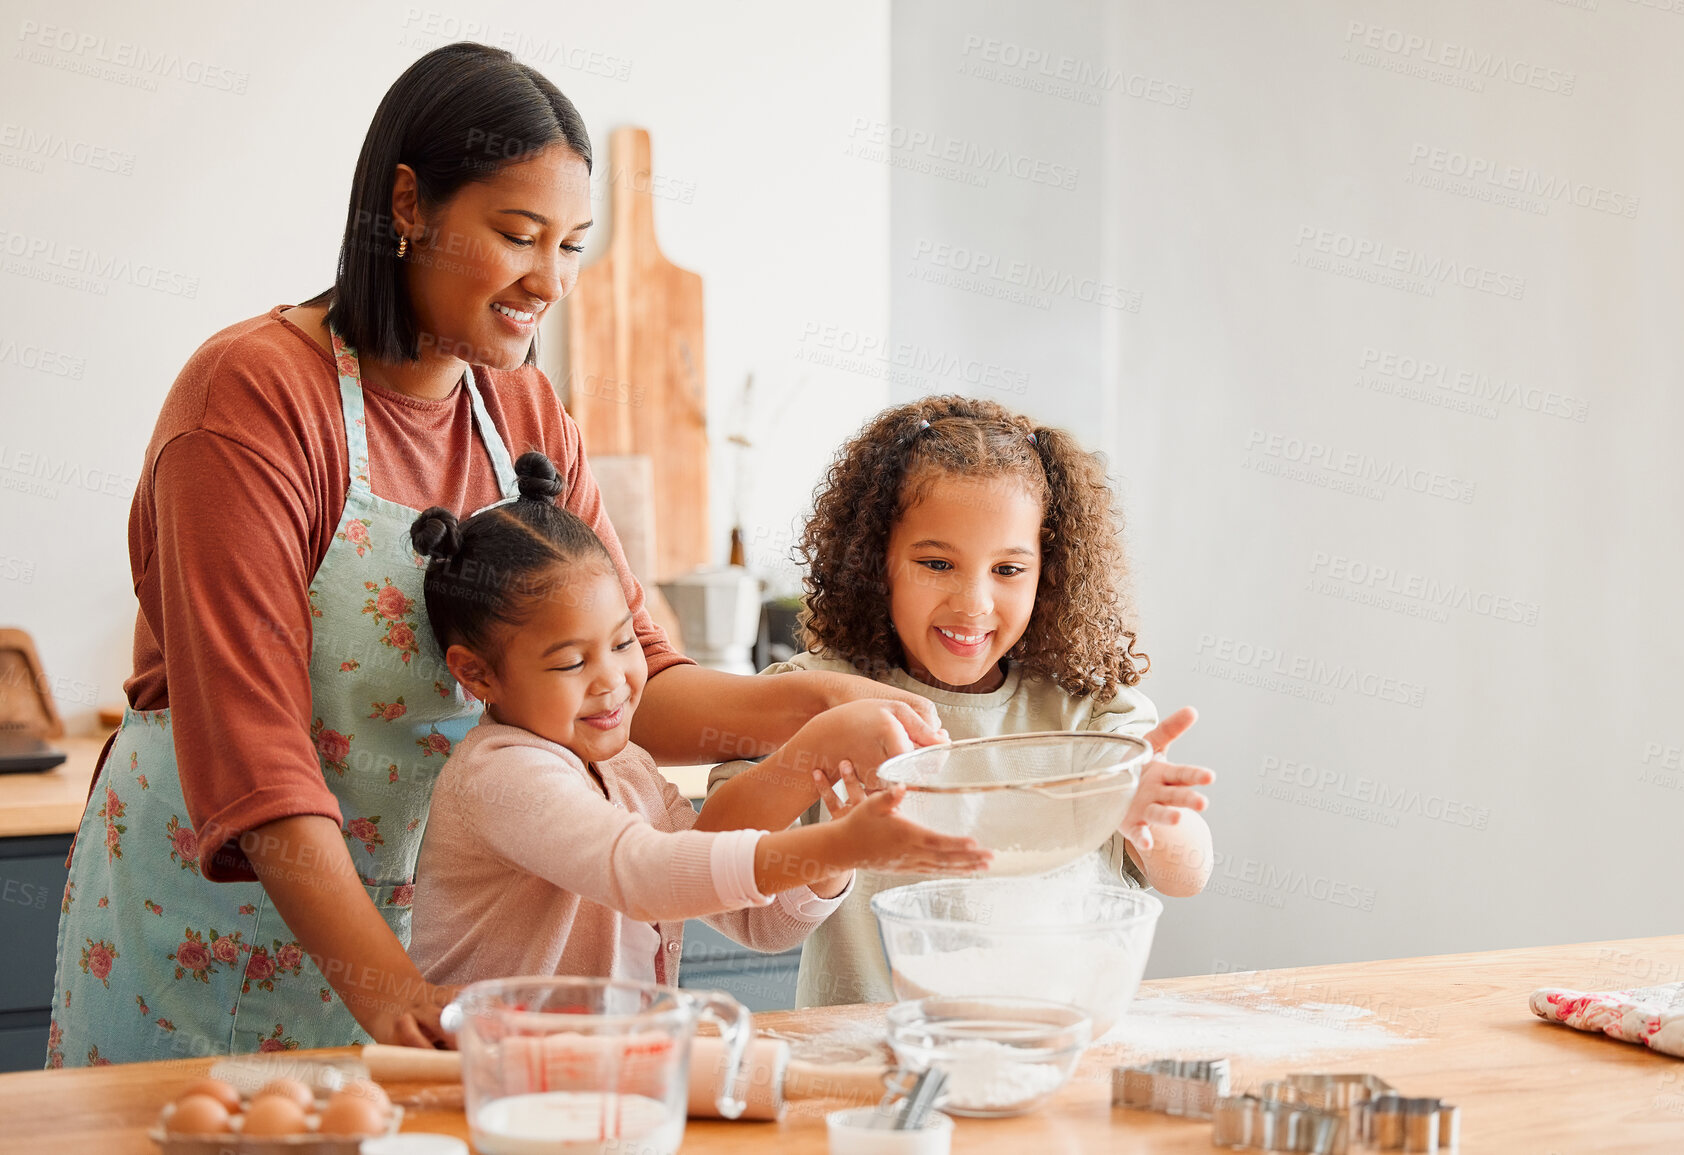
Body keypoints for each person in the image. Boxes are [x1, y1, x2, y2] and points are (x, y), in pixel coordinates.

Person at [48, 43, 943, 1068]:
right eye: (520, 236)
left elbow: (630, 681)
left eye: (572, 245)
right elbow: (256, 759)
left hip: (450, 942)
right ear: (408, 204)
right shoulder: (251, 400)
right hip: (231, 942)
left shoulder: (520, 408)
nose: (550, 282)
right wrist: (387, 990)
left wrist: (816, 705)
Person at [699, 395, 1218, 1007]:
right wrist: (835, 847)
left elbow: (1186, 877)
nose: (973, 603)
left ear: (1047, 574)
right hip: (873, 1065)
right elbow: (715, 870)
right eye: (937, 563)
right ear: (875, 564)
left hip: (1051, 1045)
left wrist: (1145, 811)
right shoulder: (813, 696)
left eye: (1007, 570)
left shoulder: (1089, 714)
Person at [404, 453, 991, 987]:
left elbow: (755, 924)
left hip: (608, 1073)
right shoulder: (502, 776)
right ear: (477, 675)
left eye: (623, 641)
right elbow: (643, 875)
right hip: (487, 1081)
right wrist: (821, 778)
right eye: (572, 661)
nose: (613, 679)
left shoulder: (626, 768)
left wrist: (834, 857)